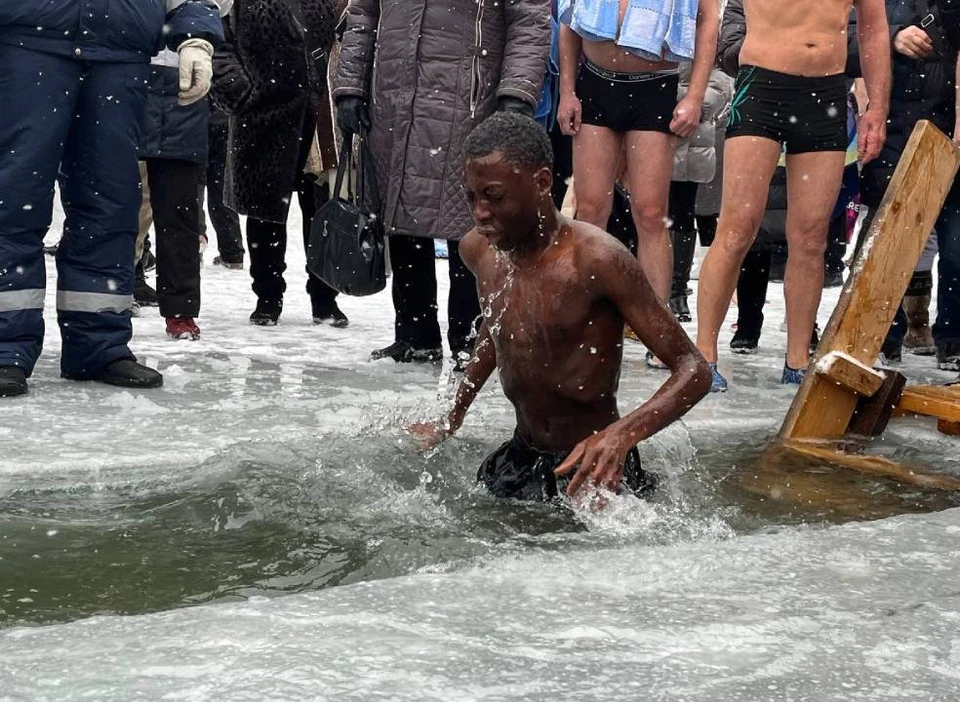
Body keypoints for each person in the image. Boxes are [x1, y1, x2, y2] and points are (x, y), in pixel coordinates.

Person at [411, 113, 711, 502]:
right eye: (471, 197)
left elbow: (694, 370)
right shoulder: (480, 249)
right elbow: (497, 328)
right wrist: (452, 414)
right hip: (520, 457)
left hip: (594, 467)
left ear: (541, 182)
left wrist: (620, 436)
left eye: (494, 197)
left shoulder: (597, 260)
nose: (480, 212)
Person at [0, 0, 222, 398]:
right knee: (13, 198)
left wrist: (196, 37)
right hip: (28, 45)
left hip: (121, 56)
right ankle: (4, 347)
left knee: (111, 202)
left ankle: (99, 344)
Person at [334, 0, 550, 369]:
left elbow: (530, 20)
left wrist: (516, 93)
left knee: (472, 222)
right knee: (401, 214)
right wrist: (351, 85)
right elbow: (363, 13)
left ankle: (471, 339)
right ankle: (415, 335)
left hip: (471, 101)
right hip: (394, 97)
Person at [694, 0, 890, 392]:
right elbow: (709, 17)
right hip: (762, 85)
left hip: (826, 91)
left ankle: (797, 358)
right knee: (736, 230)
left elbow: (874, 28)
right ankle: (703, 355)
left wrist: (877, 108)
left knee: (812, 236)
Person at [556, 0, 720, 307]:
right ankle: (585, 318)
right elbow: (571, 17)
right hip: (595, 79)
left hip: (654, 85)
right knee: (590, 211)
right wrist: (567, 91)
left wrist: (695, 96)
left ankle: (656, 324)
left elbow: (708, 20)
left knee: (650, 214)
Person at [212, 0, 348, 328]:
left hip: (318, 119)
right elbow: (219, 41)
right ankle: (268, 296)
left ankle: (325, 296)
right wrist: (240, 91)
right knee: (265, 212)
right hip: (264, 114)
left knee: (322, 211)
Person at [852, 0, 960, 373]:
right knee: (883, 238)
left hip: (949, 123)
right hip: (891, 126)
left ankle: (952, 338)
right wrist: (892, 37)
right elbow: (844, 40)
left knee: (956, 244)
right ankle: (883, 335)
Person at [138, 0, 232, 341]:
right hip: (123, 81)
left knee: (179, 214)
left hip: (182, 91)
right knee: (113, 207)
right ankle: (114, 292)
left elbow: (218, 4)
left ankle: (180, 310)